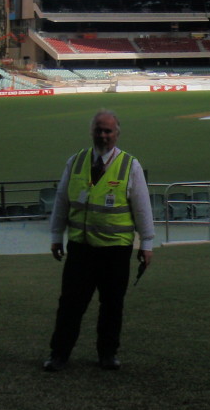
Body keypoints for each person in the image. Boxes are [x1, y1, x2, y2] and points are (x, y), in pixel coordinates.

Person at [44, 109, 154, 372]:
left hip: (116, 250)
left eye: (108, 131)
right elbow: (61, 201)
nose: (103, 135)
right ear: (91, 131)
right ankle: (59, 355)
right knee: (70, 304)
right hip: (81, 248)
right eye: (99, 130)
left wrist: (147, 243)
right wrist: (56, 235)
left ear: (117, 134)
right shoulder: (76, 162)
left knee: (112, 305)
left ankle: (108, 354)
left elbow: (142, 208)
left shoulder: (130, 165)